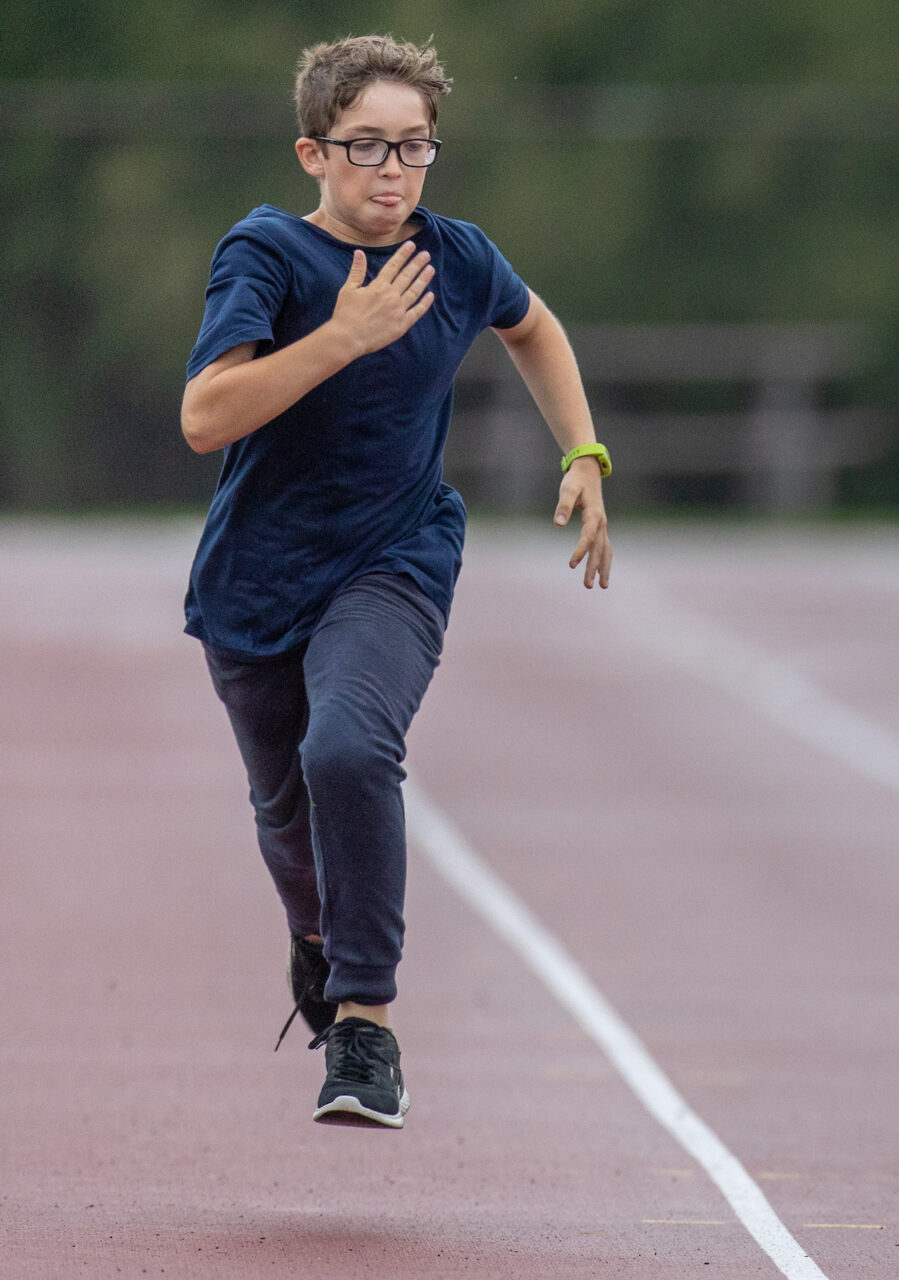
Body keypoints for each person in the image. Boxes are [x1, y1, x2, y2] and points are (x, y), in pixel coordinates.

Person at [180, 34, 613, 1128]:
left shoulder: (456, 255)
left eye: (414, 147)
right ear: (313, 153)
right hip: (257, 581)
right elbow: (205, 418)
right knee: (286, 814)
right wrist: (340, 336)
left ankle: (365, 1024)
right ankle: (319, 941)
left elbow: (536, 327)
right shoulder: (267, 254)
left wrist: (584, 455)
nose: (394, 171)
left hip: (395, 558)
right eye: (368, 145)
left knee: (349, 747)